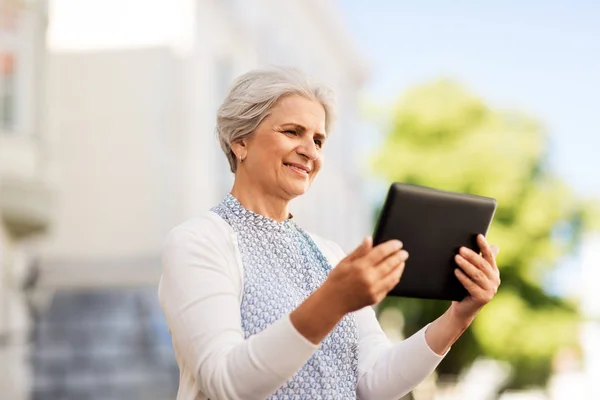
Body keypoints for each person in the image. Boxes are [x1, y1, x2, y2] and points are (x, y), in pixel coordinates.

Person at [158, 66, 501, 400]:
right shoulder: (199, 242)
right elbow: (226, 384)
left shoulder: (331, 256)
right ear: (240, 142)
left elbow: (372, 383)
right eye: (292, 132)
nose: (310, 151)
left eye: (318, 140)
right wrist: (334, 300)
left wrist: (459, 314)